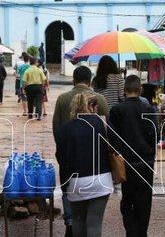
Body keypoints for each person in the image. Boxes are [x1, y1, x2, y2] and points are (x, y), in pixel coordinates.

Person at [53, 66, 109, 237]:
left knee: (77, 219)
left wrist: (68, 153)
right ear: (90, 81)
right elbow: (109, 137)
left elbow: (57, 131)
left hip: (73, 171)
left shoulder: (62, 99)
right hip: (100, 172)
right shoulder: (99, 99)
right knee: (94, 222)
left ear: (73, 80)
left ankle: (69, 221)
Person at [110, 75, 157, 237]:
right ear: (140, 90)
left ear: (124, 90)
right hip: (146, 162)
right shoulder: (149, 110)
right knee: (144, 202)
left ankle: (131, 231)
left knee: (127, 200)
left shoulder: (117, 110)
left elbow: (113, 139)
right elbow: (154, 136)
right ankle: (141, 233)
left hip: (126, 162)